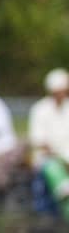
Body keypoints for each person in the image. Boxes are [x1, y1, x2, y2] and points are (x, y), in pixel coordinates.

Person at [29, 68, 69, 216]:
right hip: (48, 160)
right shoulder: (40, 109)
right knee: (52, 168)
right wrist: (59, 156)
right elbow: (38, 140)